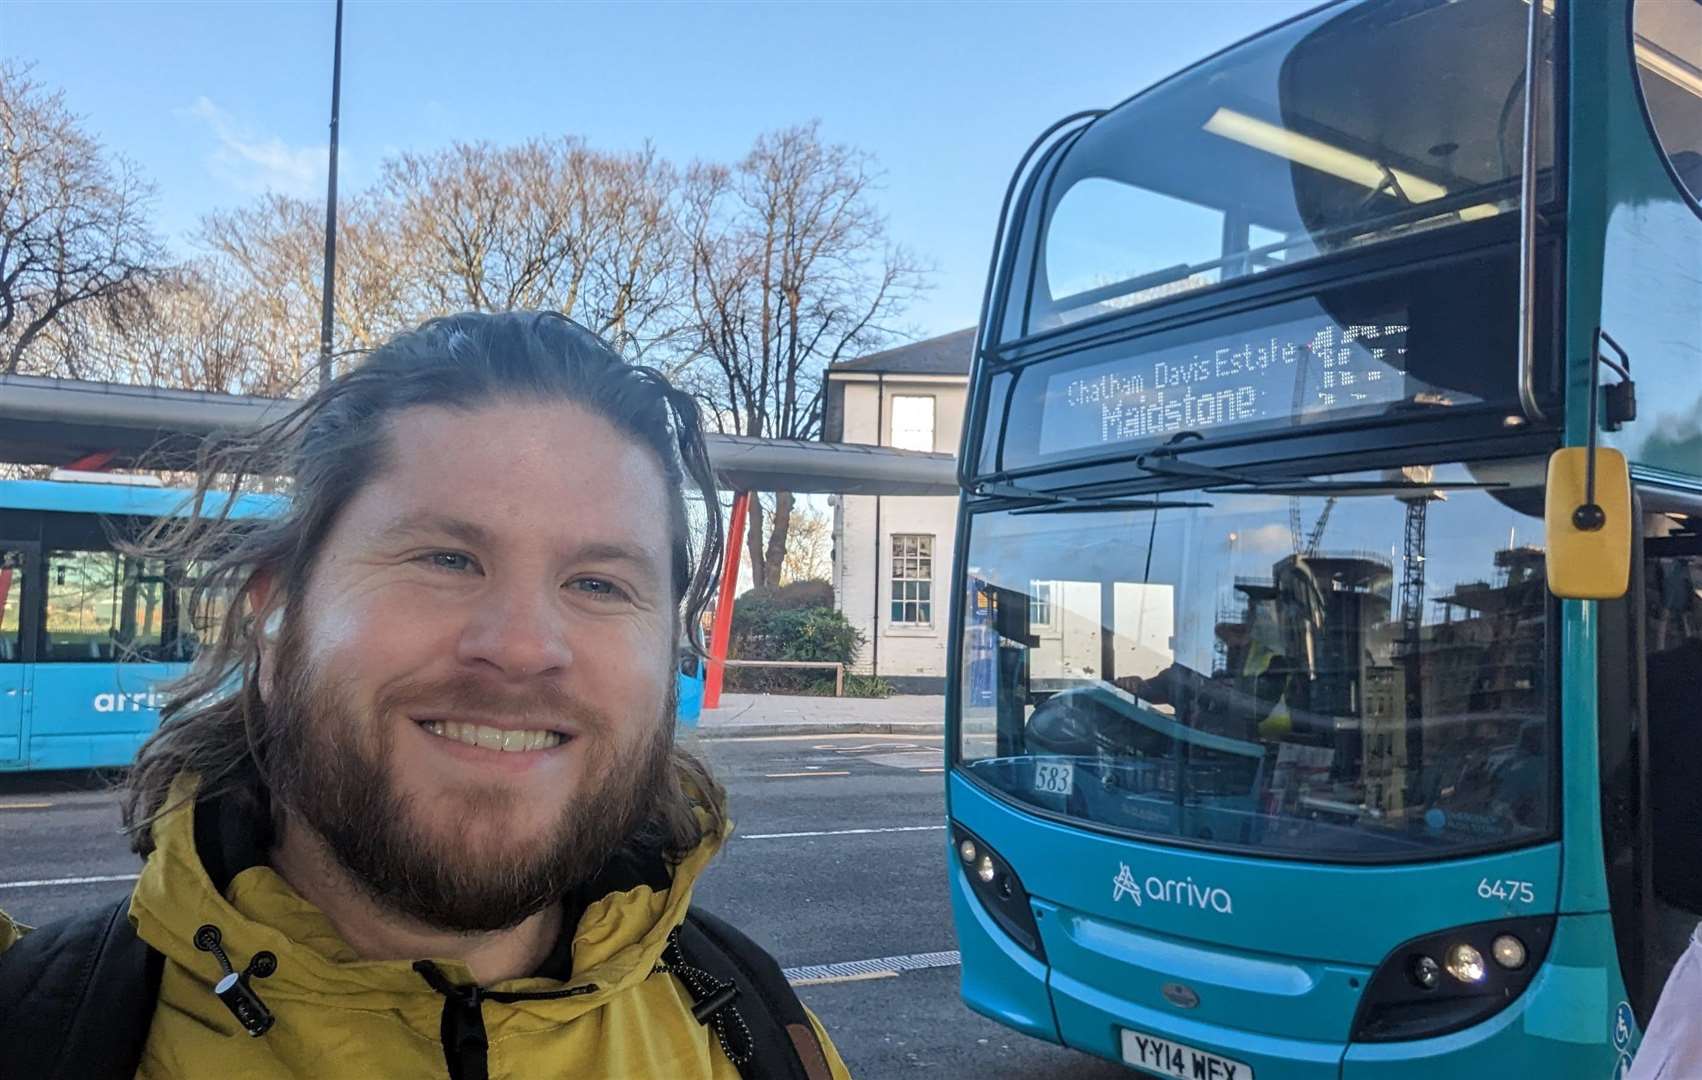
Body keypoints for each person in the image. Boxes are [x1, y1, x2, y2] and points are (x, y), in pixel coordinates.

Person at [0, 312, 850, 1080]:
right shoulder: (42, 1031)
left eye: (596, 583)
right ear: (273, 616)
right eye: (446, 559)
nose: (521, 647)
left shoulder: (769, 1041)